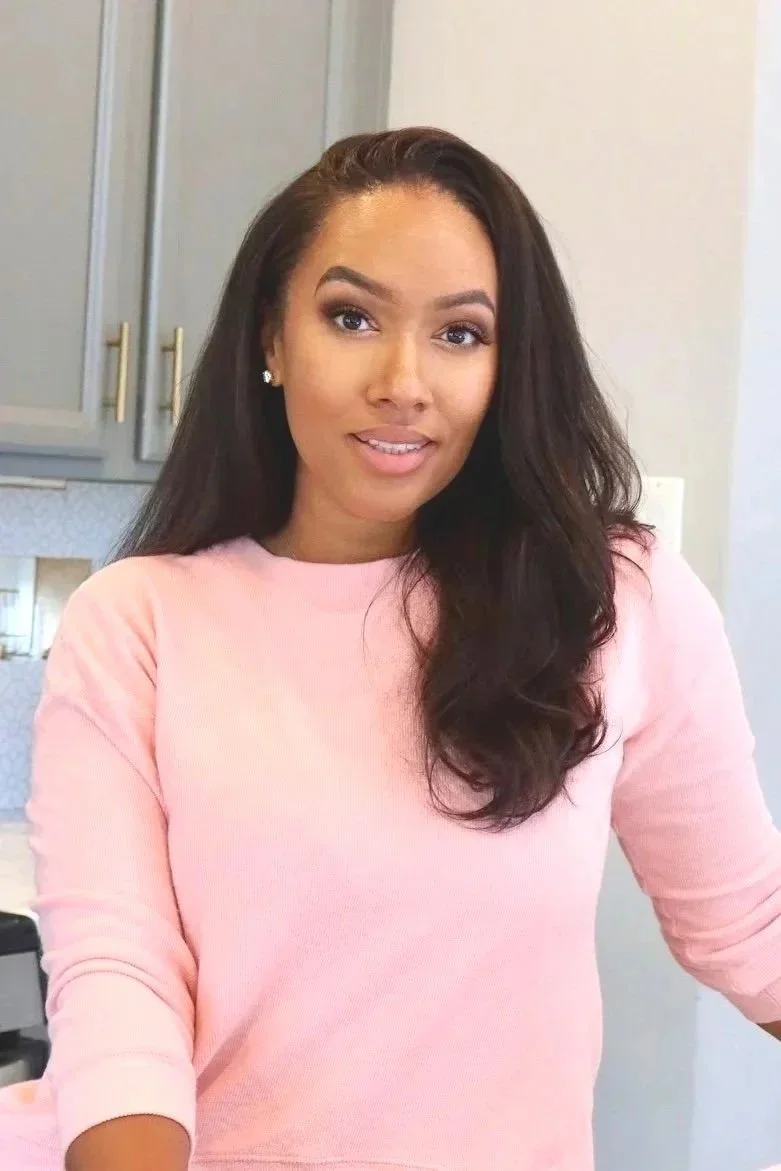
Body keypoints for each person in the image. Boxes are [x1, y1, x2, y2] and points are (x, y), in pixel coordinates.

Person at [0, 127, 779, 1171]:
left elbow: (750, 924)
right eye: (351, 317)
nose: (403, 381)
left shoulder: (611, 599)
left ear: (508, 366)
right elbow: (119, 980)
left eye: (460, 334)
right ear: (271, 340)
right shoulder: (138, 622)